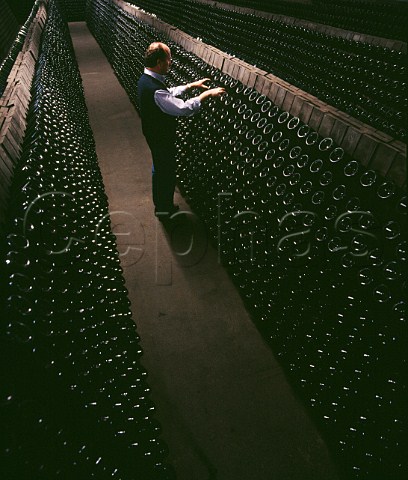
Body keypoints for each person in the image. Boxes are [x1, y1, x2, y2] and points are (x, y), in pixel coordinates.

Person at [137, 42, 225, 220]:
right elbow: (182, 108)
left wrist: (190, 86)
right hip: (160, 138)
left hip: (153, 134)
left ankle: (160, 205)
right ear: (160, 62)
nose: (171, 63)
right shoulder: (154, 90)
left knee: (158, 169)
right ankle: (164, 209)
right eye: (169, 60)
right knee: (166, 173)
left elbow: (167, 93)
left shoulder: (146, 79)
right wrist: (205, 95)